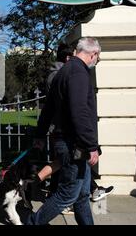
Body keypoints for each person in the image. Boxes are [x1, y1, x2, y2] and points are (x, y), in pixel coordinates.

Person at [27, 37, 101, 225]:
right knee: (67, 195)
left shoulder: (64, 71)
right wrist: (91, 145)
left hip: (70, 142)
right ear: (93, 54)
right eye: (97, 57)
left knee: (82, 194)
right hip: (73, 144)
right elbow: (80, 112)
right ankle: (32, 222)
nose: (96, 61)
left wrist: (39, 135)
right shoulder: (78, 72)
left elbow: (48, 109)